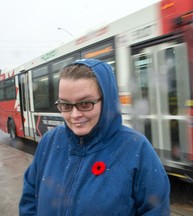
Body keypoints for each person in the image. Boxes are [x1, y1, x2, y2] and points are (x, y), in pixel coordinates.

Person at [19, 59, 170, 215]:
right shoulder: (49, 141)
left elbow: (155, 209)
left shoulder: (136, 148)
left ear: (107, 101)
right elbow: (30, 195)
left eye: (85, 104)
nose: (75, 115)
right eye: (65, 105)